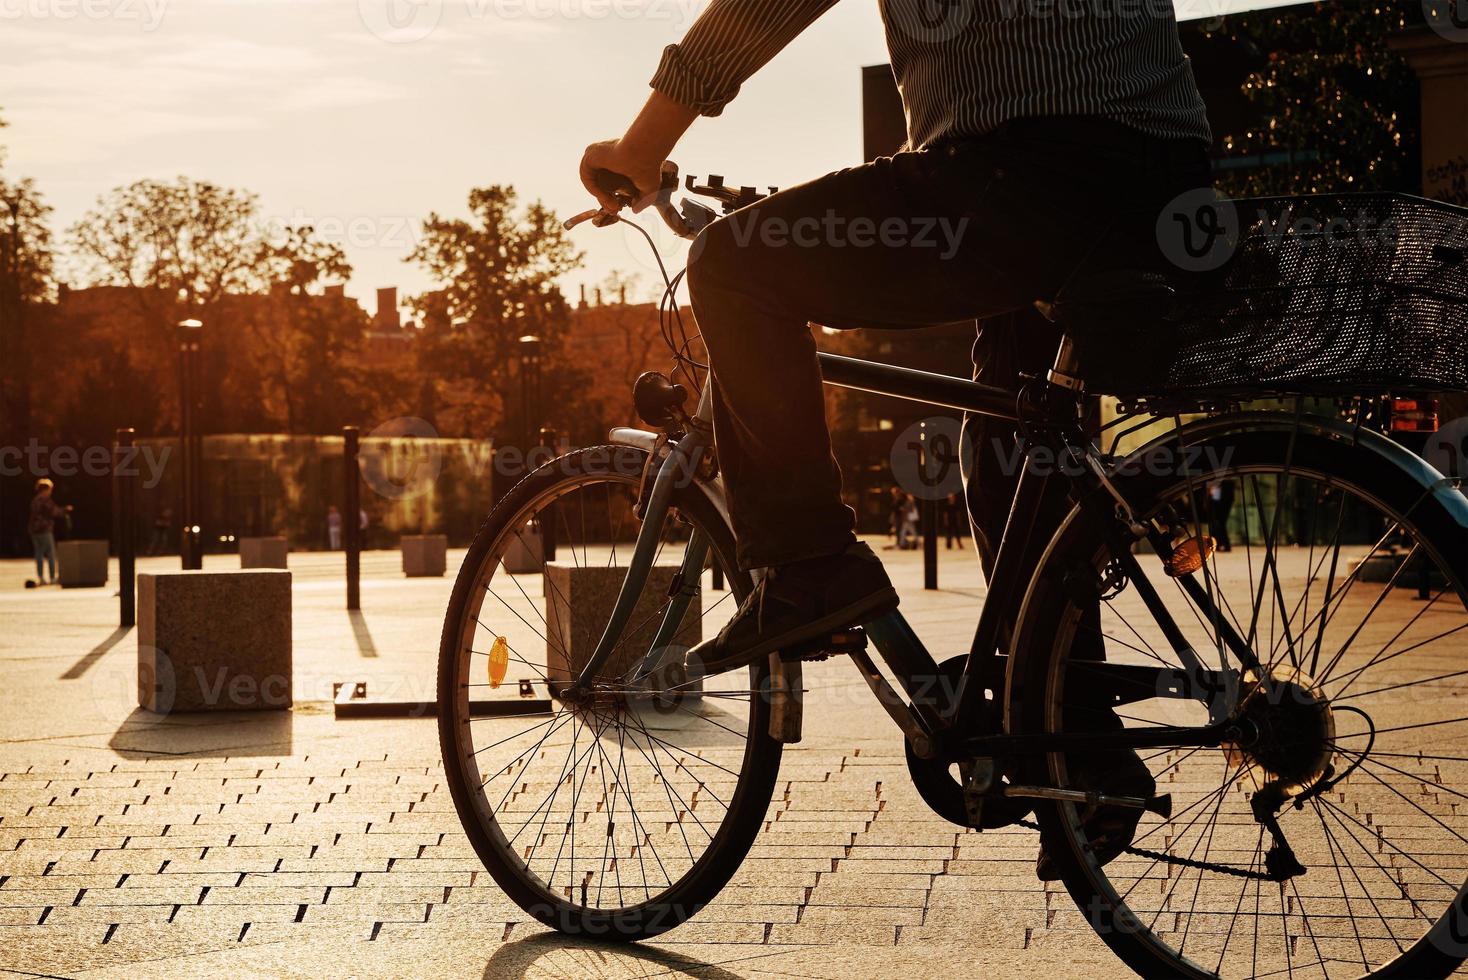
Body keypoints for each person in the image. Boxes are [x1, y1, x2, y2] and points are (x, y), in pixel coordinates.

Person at [581, 0, 1212, 874]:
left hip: (1021, 175)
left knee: (732, 264)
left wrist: (642, 144)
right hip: (1168, 183)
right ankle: (1076, 743)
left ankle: (810, 568)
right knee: (1013, 430)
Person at [28, 478, 71, 584]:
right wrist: (65, 510)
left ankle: (41, 577)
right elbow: (54, 511)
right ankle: (52, 577)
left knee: (39, 553)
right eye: (50, 490)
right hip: (44, 529)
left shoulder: (35, 500)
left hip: (34, 529)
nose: (51, 492)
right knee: (51, 553)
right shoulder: (45, 500)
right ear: (45, 490)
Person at [1208, 480, 1235, 552]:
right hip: (1219, 497)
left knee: (1220, 522)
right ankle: (1221, 544)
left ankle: (1221, 544)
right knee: (1219, 522)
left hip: (1222, 497)